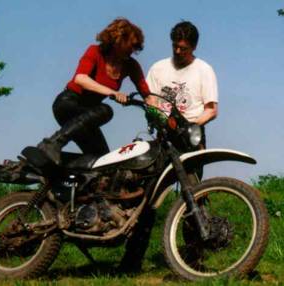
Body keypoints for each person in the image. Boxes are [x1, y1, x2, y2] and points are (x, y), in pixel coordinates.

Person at [119, 21, 218, 274]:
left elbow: (211, 109)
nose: (177, 51)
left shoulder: (203, 70)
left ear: (193, 47)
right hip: (163, 136)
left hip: (191, 136)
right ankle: (131, 263)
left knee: (193, 195)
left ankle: (192, 261)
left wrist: (189, 124)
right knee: (148, 197)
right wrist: (158, 116)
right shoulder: (158, 68)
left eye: (183, 48)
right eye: (175, 46)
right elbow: (148, 99)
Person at [38, 18, 151, 165]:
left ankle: (56, 166)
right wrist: (113, 93)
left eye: (137, 46)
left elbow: (147, 94)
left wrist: (163, 114)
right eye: (132, 44)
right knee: (106, 110)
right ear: (119, 39)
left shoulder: (131, 65)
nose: (133, 49)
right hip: (68, 103)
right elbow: (80, 78)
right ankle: (53, 143)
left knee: (103, 160)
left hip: (89, 114)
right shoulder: (95, 51)